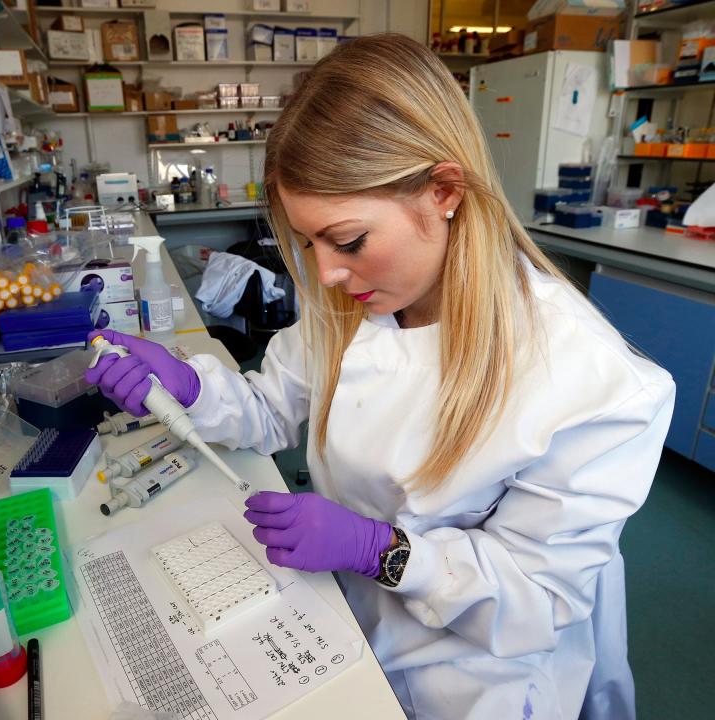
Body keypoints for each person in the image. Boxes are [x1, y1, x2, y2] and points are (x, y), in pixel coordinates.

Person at [84, 34, 675, 720]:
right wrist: (186, 387)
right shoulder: (354, 303)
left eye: (349, 240)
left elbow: (535, 598)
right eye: (308, 242)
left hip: (476, 671)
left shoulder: (594, 382)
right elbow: (271, 407)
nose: (326, 273)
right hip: (342, 613)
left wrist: (382, 551)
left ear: (445, 191)